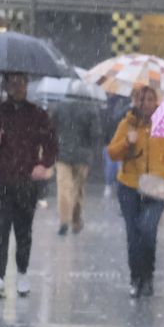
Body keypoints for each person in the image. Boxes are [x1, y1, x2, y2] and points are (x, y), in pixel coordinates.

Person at [0, 72, 57, 299]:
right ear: (5, 85)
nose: (17, 87)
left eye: (21, 82)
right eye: (12, 82)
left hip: (26, 182)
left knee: (23, 230)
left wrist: (43, 164)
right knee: (0, 229)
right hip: (0, 181)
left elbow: (51, 144)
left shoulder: (37, 115)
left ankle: (22, 272)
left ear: (27, 85)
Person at [106, 85, 164, 298]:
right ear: (135, 101)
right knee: (134, 235)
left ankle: (148, 275)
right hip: (129, 186)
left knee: (147, 230)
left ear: (156, 101)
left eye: (150, 99)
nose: (146, 103)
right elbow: (112, 153)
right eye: (142, 99)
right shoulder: (127, 124)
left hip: (157, 186)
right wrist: (127, 142)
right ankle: (136, 279)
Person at [50, 98, 102, 236]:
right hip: (82, 156)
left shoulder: (59, 106)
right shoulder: (91, 109)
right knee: (77, 189)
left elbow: (50, 129)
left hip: (62, 154)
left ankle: (64, 221)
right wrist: (94, 152)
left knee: (63, 188)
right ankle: (75, 219)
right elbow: (96, 133)